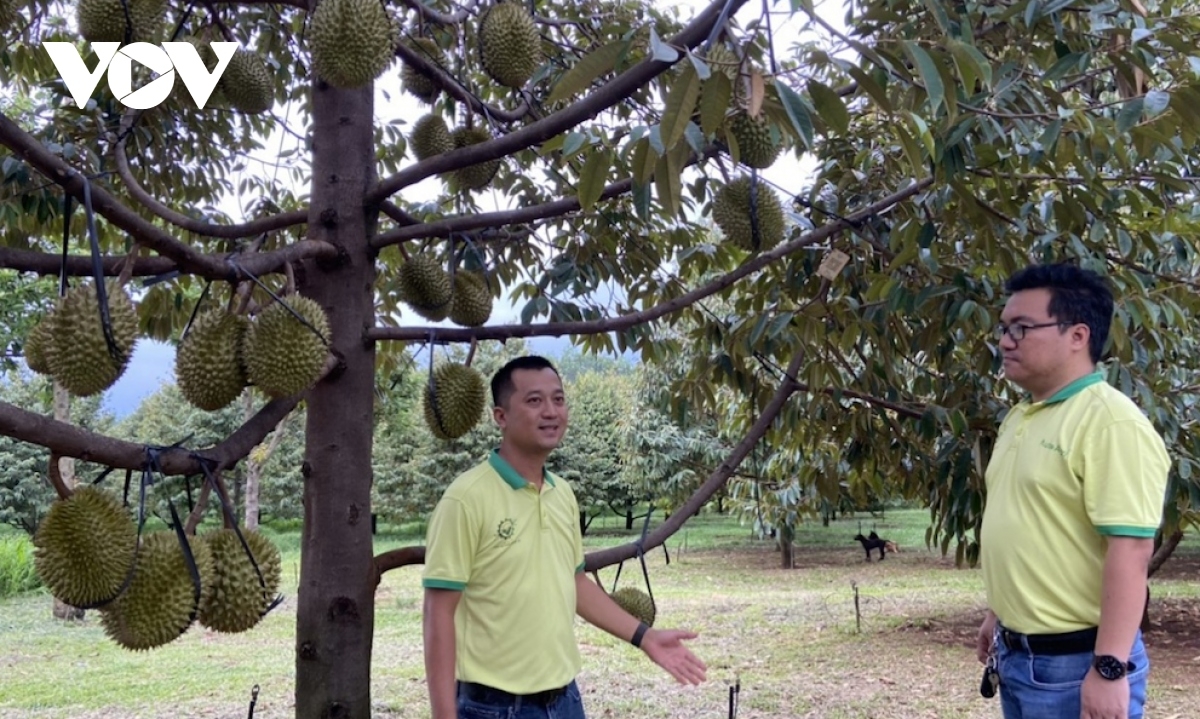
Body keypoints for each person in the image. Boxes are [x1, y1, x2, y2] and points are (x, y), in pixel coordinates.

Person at [422, 355, 708, 719]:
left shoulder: (563, 495)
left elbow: (574, 582)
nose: (551, 411)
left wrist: (644, 637)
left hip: (565, 700)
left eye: (558, 399)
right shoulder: (465, 499)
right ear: (501, 417)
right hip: (493, 707)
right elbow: (438, 613)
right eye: (534, 400)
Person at [975, 263, 1170, 719]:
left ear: (1078, 336)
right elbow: (1033, 527)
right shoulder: (1020, 418)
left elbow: (1132, 549)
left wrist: (1108, 668)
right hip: (1020, 657)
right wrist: (999, 612)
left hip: (1074, 665)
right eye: (1004, 328)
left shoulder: (1110, 423)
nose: (1005, 341)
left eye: (1021, 328)